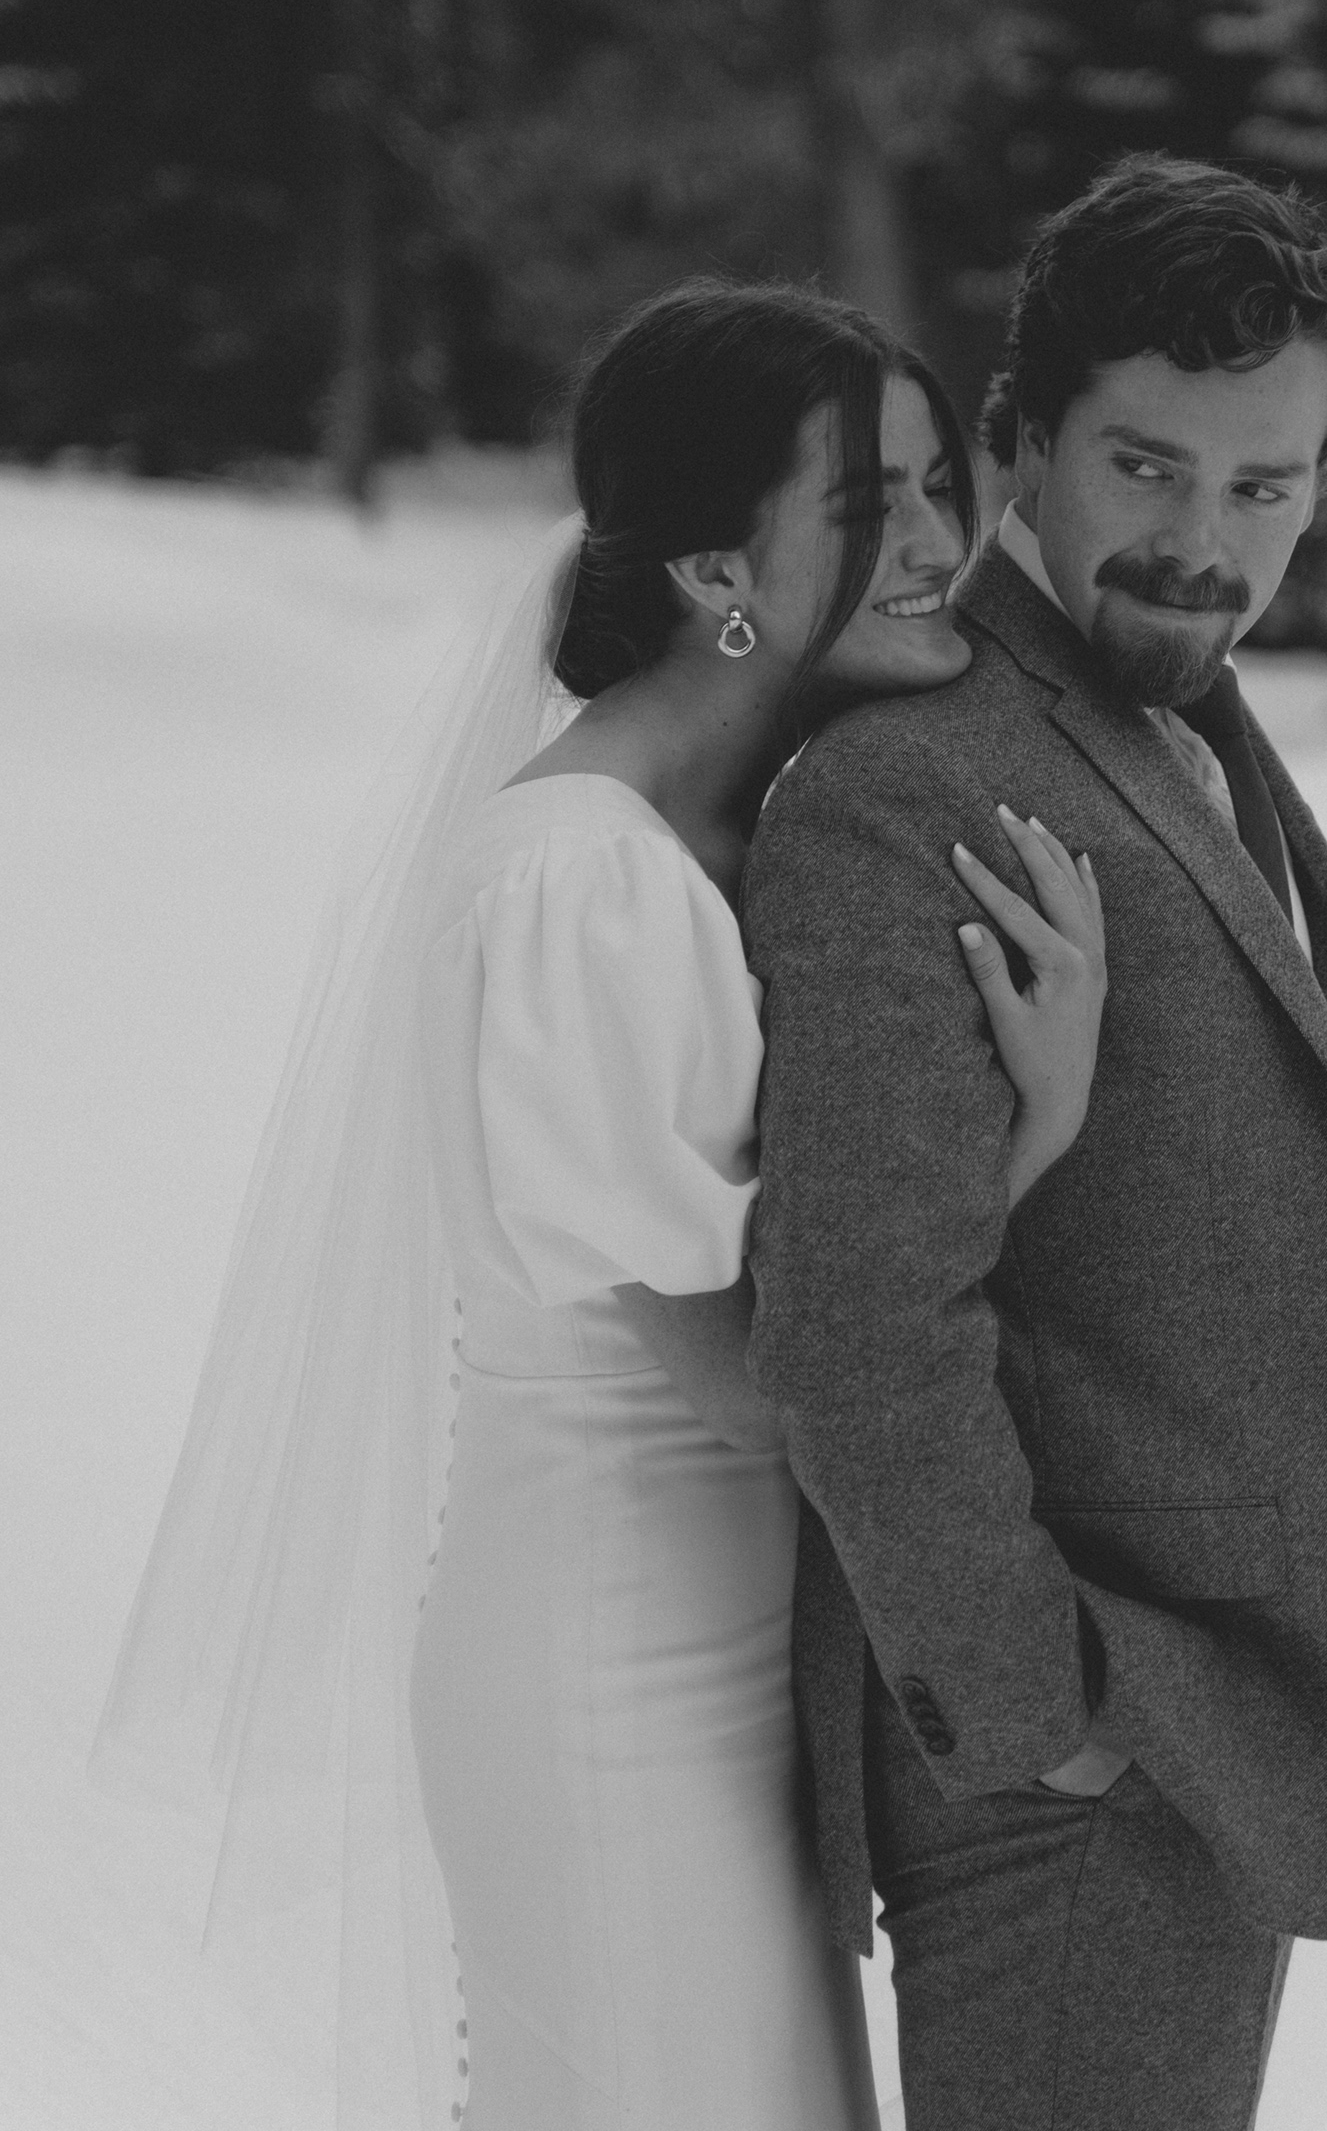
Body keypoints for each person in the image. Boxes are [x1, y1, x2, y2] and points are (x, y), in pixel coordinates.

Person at [97, 280, 1106, 2131]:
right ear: (719, 570)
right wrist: (1038, 1121)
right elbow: (759, 1377)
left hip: (728, 1680)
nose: (938, 547)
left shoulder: (735, 836)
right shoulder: (581, 879)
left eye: (936, 487)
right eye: (869, 506)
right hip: (608, 1678)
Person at [744, 157, 1327, 2131]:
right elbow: (856, 1318)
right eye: (1147, 468)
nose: (1203, 543)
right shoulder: (910, 785)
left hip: (1199, 1741)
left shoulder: (1166, 714)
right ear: (1024, 439)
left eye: (1265, 487)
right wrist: (1040, 1712)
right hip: (1072, 1778)